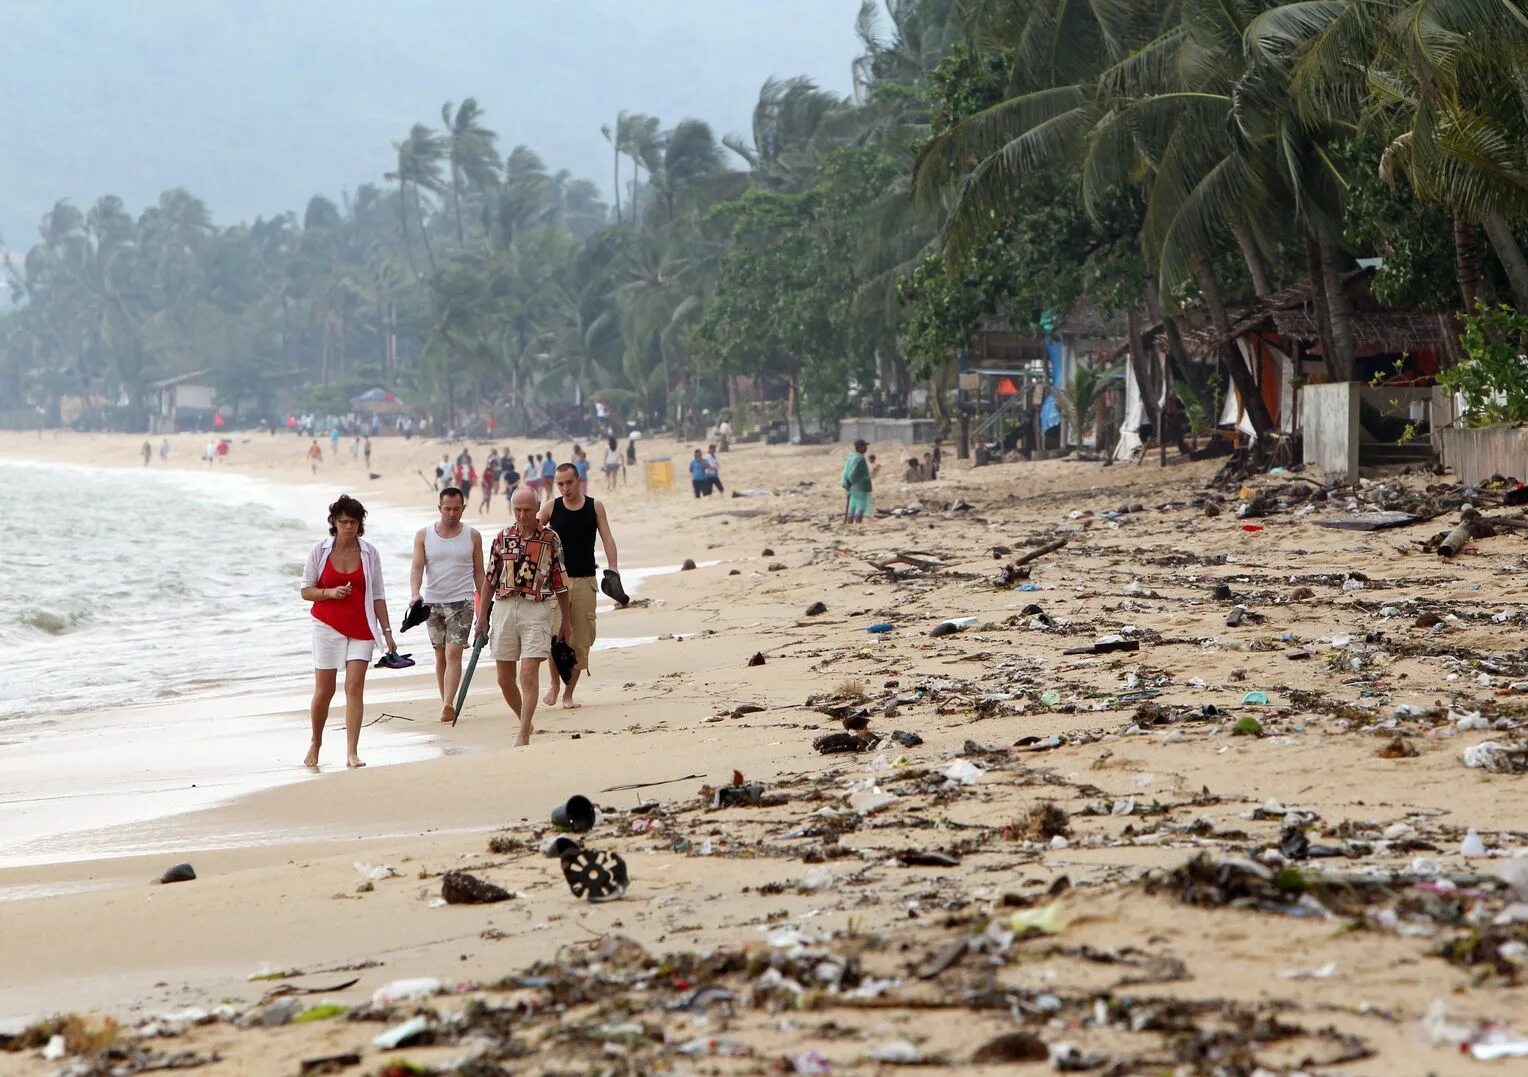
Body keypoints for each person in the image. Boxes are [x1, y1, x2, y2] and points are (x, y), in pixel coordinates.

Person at [299, 494, 396, 768]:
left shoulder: (369, 553)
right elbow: (306, 591)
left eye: (353, 522)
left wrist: (387, 632)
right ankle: (316, 742)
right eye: (344, 522)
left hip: (362, 626)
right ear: (334, 522)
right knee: (325, 691)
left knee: (354, 686)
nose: (349, 527)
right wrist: (329, 592)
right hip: (326, 625)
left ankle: (352, 752)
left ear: (360, 523)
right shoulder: (320, 551)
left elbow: (377, 594)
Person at [475, 485, 572, 747]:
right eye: (517, 509)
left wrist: (566, 621)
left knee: (528, 674)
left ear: (537, 508)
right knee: (504, 678)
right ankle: (524, 720)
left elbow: (560, 583)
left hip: (536, 608)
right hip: (505, 607)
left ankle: (523, 735)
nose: (521, 515)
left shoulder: (550, 539)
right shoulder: (502, 537)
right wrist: (482, 616)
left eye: (527, 510)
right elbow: (489, 580)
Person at [537, 462, 618, 710]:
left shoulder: (595, 506)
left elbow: (607, 537)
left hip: (585, 581)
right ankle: (554, 683)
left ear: (579, 480)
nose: (564, 488)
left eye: (568, 482)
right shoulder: (552, 507)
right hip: (556, 582)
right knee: (555, 637)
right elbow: (532, 533)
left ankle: (568, 694)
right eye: (560, 484)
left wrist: (613, 568)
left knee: (580, 640)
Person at [410, 486, 485, 723]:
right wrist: (415, 593)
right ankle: (447, 703)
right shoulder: (424, 535)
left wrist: (484, 604)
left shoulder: (473, 536)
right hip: (433, 603)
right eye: (447, 509)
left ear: (463, 508)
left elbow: (479, 573)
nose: (452, 513)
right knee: (440, 655)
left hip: (462, 602)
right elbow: (417, 567)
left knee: (454, 652)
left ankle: (448, 703)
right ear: (439, 508)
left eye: (456, 509)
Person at [841, 439, 873, 524]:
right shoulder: (859, 458)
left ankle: (849, 524)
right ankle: (857, 524)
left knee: (852, 505)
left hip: (853, 486)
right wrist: (851, 481)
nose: (866, 448)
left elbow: (845, 470)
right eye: (864, 446)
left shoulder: (852, 456)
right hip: (860, 486)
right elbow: (852, 472)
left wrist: (846, 482)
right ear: (859, 448)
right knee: (860, 506)